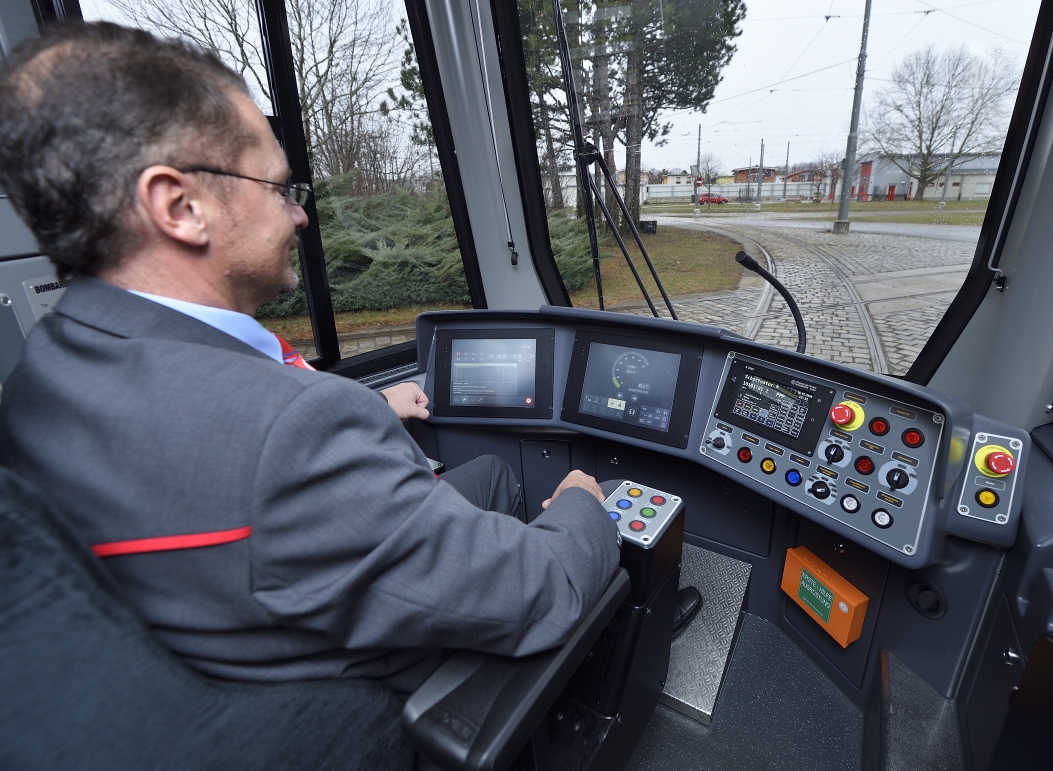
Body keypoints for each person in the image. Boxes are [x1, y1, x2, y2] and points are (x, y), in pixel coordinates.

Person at [0, 21, 619, 693]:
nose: (299, 216)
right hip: (381, 702)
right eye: (277, 188)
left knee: (492, 476)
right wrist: (583, 505)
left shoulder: (47, 370)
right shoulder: (292, 434)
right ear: (180, 206)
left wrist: (367, 408)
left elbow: (241, 442)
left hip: (221, 630)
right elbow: (545, 587)